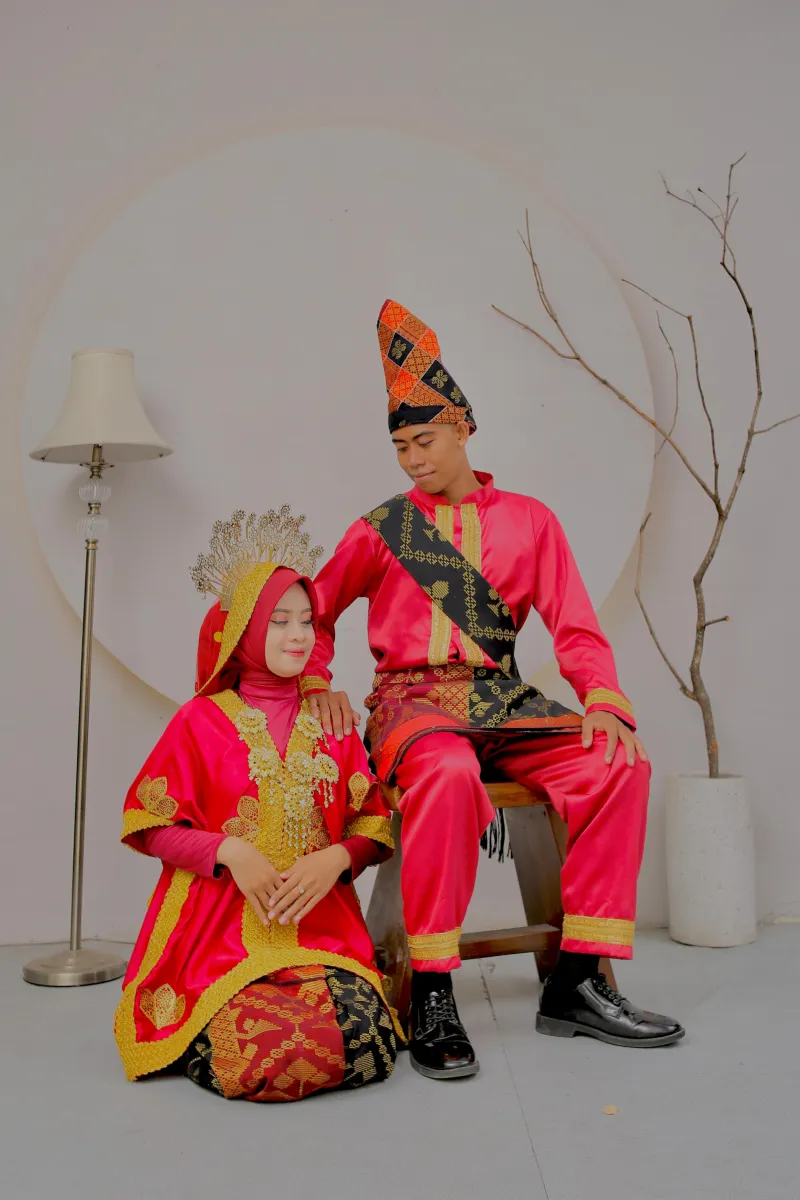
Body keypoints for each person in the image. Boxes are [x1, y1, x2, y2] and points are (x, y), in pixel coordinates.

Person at [300, 300, 684, 1081]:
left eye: (425, 441)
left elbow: (575, 627)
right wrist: (314, 679)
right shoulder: (381, 529)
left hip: (504, 702)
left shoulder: (531, 523)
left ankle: (577, 982)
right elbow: (314, 608)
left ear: (465, 428)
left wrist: (603, 699)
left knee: (619, 763)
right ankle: (433, 991)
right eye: (400, 446)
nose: (412, 460)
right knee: (447, 773)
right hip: (411, 705)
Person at [114, 508, 401, 1101]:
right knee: (262, 1055)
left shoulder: (331, 721)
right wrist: (229, 851)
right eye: (279, 621)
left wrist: (338, 858)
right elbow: (148, 823)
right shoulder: (200, 722)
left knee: (361, 1039)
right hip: (216, 935)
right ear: (243, 629)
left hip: (322, 931)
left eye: (307, 621)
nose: (299, 636)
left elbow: (373, 823)